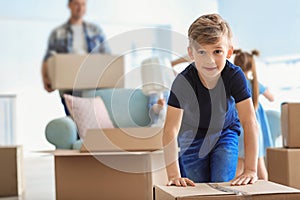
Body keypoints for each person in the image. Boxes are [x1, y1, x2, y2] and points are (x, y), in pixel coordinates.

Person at [162, 13, 259, 187]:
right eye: (201, 52)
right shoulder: (183, 82)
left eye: (217, 51)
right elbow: (170, 129)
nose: (210, 60)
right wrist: (173, 174)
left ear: (229, 52)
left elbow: (249, 120)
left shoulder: (235, 76)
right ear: (191, 53)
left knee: (221, 182)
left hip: (225, 131)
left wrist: (251, 169)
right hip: (192, 135)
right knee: (195, 186)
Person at [41, 0, 111, 115]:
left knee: (93, 122)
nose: (80, 8)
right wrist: (45, 79)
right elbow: (48, 58)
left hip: (92, 85)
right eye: (77, 4)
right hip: (69, 87)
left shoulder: (95, 30)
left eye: (83, 4)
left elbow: (107, 57)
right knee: (75, 124)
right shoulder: (58, 32)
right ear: (69, 6)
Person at [233, 49, 275, 180]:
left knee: (239, 165)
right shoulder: (255, 84)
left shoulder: (235, 83)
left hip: (239, 126)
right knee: (259, 164)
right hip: (256, 129)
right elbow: (272, 97)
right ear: (251, 66)